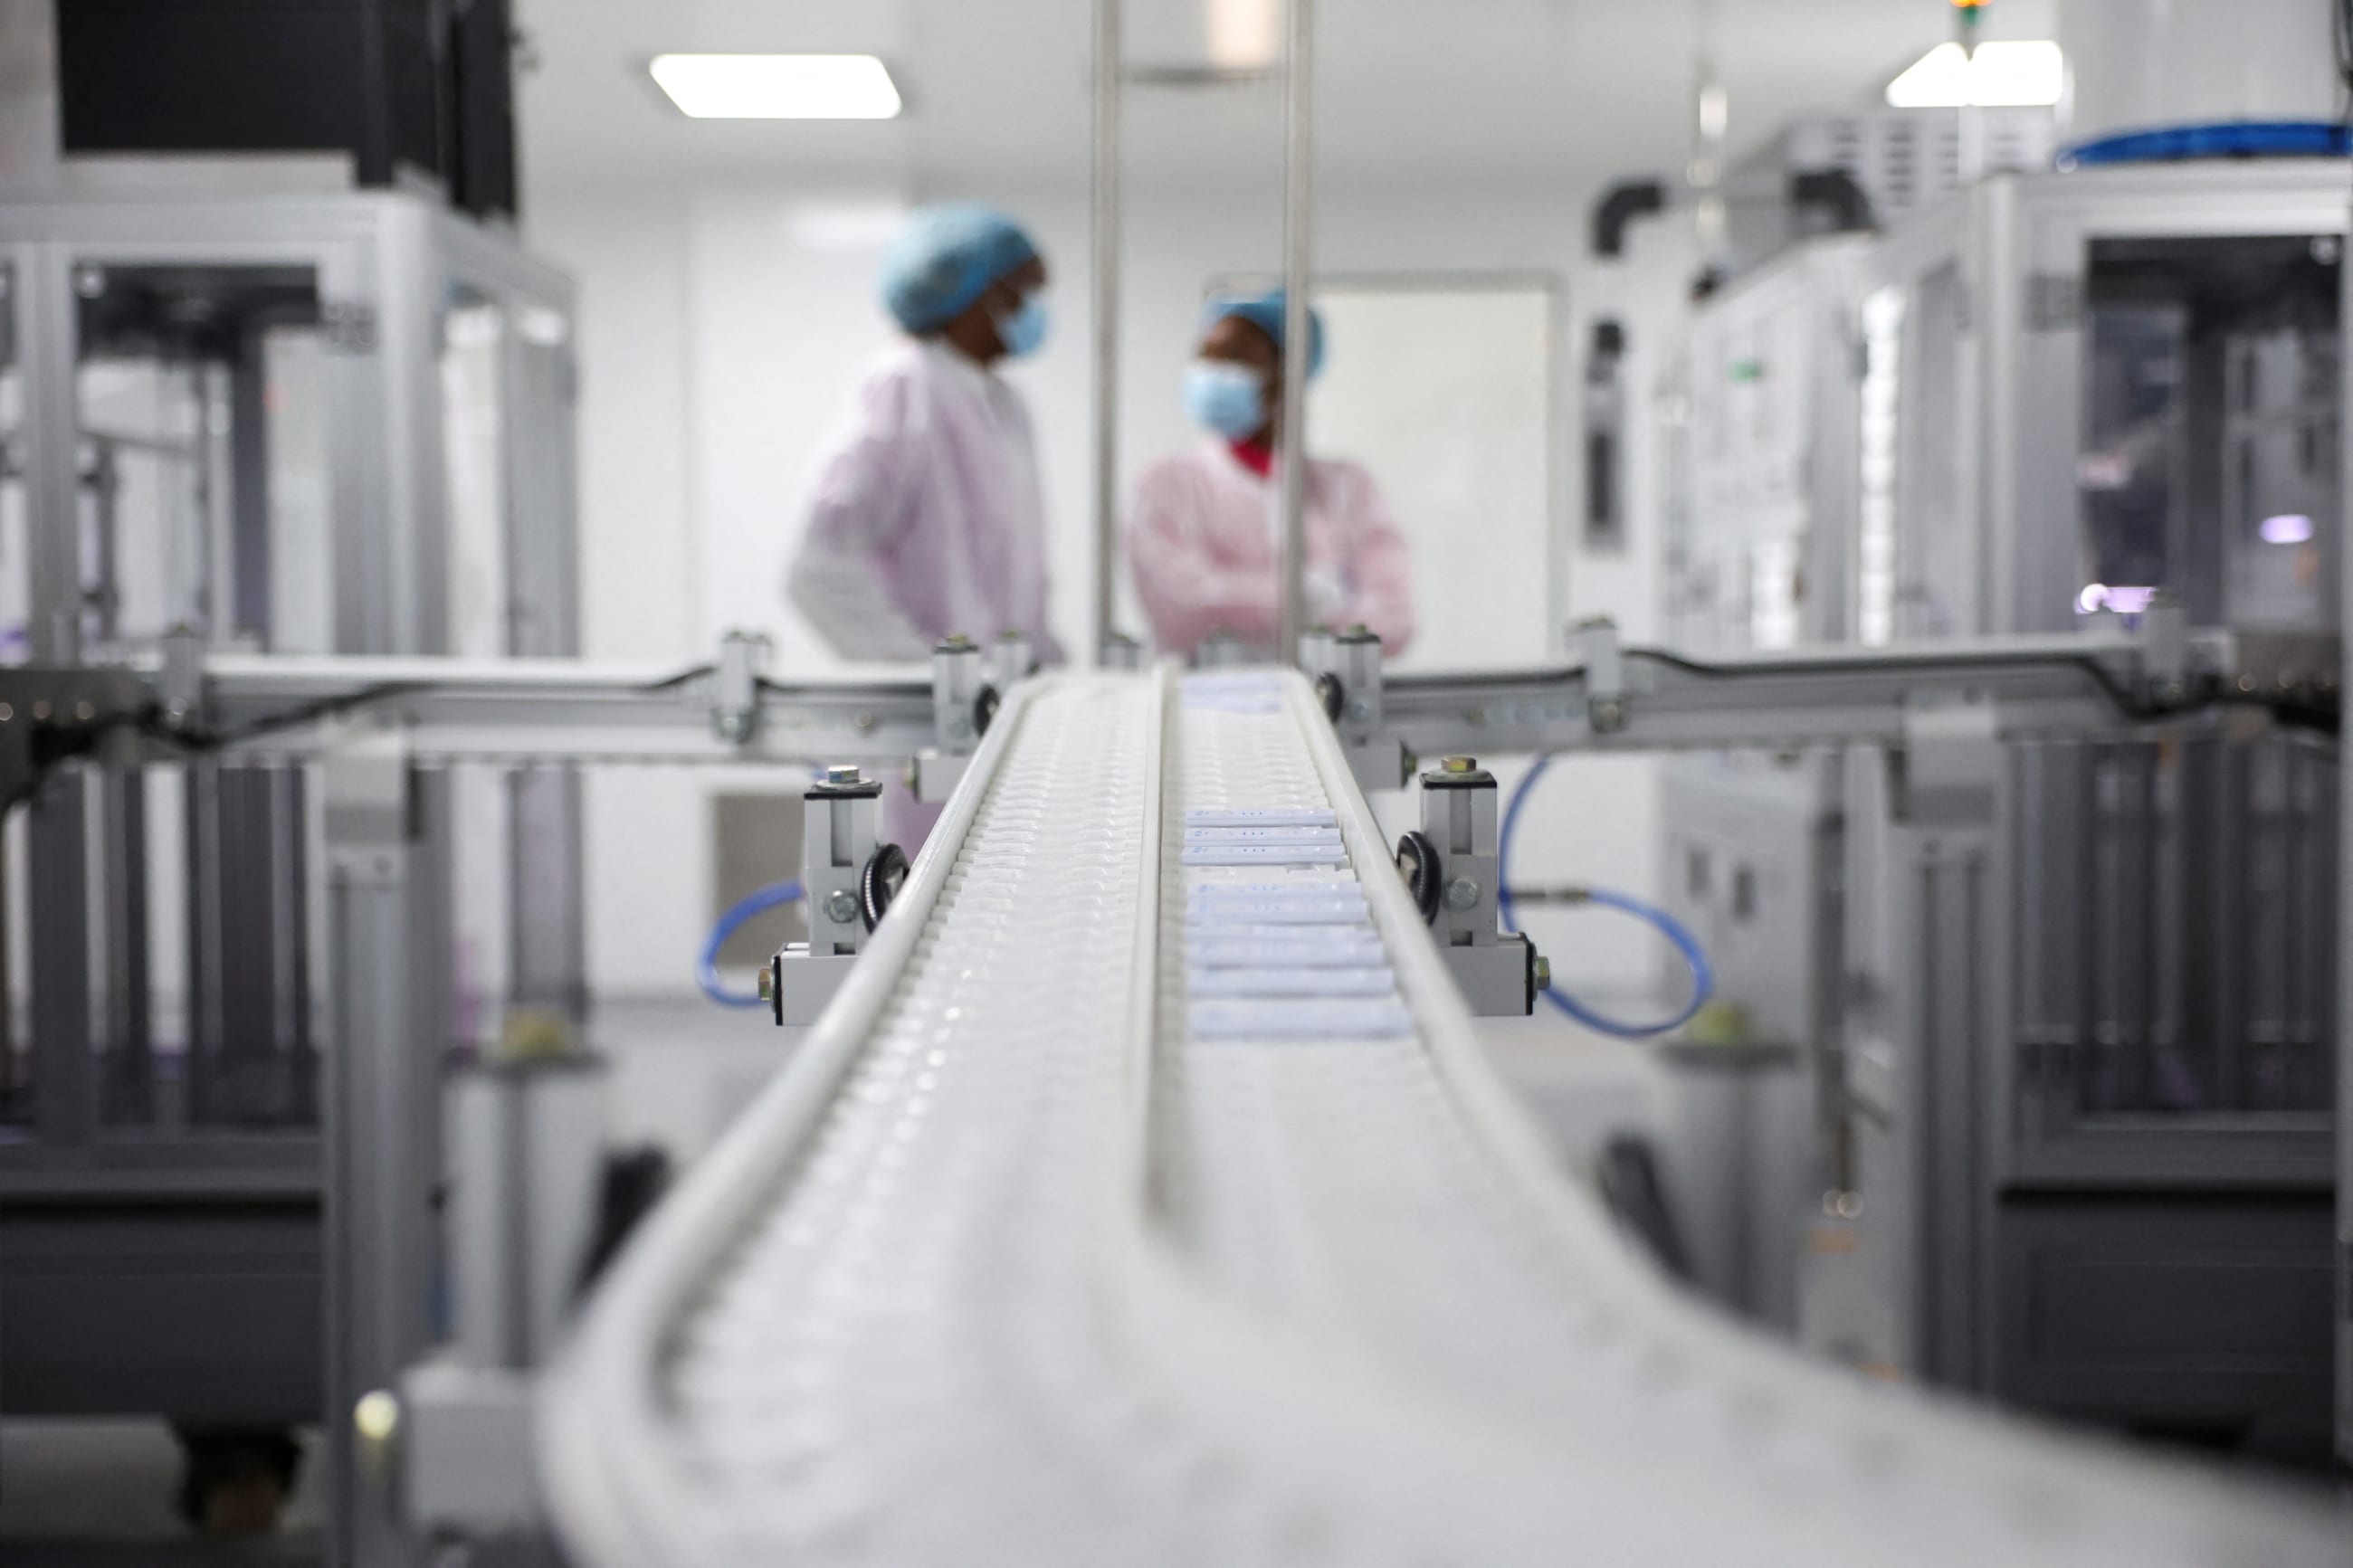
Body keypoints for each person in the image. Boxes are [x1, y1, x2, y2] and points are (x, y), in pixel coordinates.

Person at [786, 204, 1063, 664]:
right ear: (979, 293)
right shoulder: (905, 385)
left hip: (1001, 692)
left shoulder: (1003, 403)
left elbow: (1013, 575)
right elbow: (821, 572)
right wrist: (929, 677)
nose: (1034, 310)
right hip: (935, 707)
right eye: (1025, 291)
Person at [1127, 289, 1414, 660]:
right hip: (1201, 700)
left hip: (1324, 702)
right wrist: (1309, 599)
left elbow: (1394, 618)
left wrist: (1244, 599)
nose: (1211, 374)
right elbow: (1180, 610)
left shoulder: (1346, 486)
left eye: (1233, 358)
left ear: (1286, 374)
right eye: (1205, 356)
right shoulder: (1164, 485)